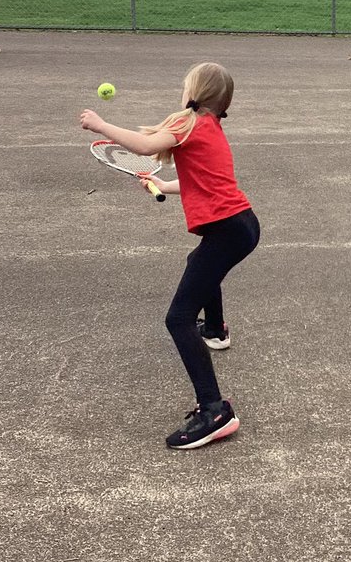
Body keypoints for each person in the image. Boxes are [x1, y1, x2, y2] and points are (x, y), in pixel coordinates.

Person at [79, 62, 260, 451]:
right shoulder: (210, 126)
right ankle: (215, 330)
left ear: (194, 92)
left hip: (227, 231)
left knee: (178, 318)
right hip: (242, 225)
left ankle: (214, 411)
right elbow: (201, 181)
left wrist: (101, 124)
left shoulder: (188, 121)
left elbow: (145, 147)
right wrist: (163, 184)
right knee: (199, 265)